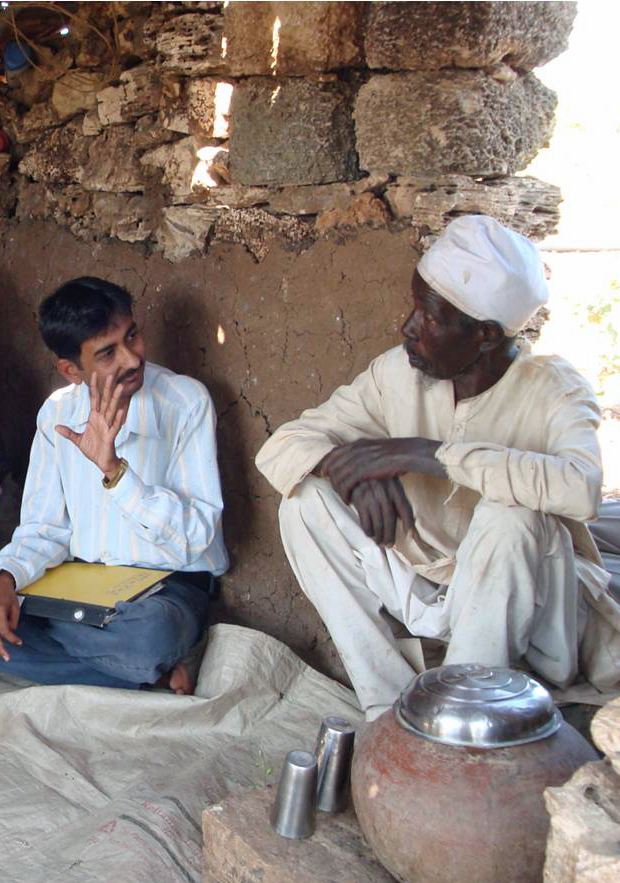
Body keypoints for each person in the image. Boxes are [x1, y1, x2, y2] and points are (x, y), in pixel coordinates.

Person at [256, 214, 620, 719]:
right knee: (304, 501)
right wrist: (345, 468)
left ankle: (462, 719)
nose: (408, 327)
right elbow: (285, 443)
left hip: (535, 604)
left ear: (486, 336)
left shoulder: (554, 388)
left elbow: (580, 488)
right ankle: (388, 709)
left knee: (509, 515)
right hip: (430, 587)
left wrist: (429, 454)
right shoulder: (398, 374)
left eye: (429, 318)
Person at [0, 277, 228, 690]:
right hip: (81, 591)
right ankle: (142, 677)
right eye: (107, 353)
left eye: (133, 336)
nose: (131, 358)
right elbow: (43, 529)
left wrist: (116, 472)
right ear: (71, 369)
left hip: (165, 591)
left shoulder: (185, 402)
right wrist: (5, 580)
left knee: (148, 637)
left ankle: (132, 664)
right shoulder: (58, 415)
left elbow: (196, 536)